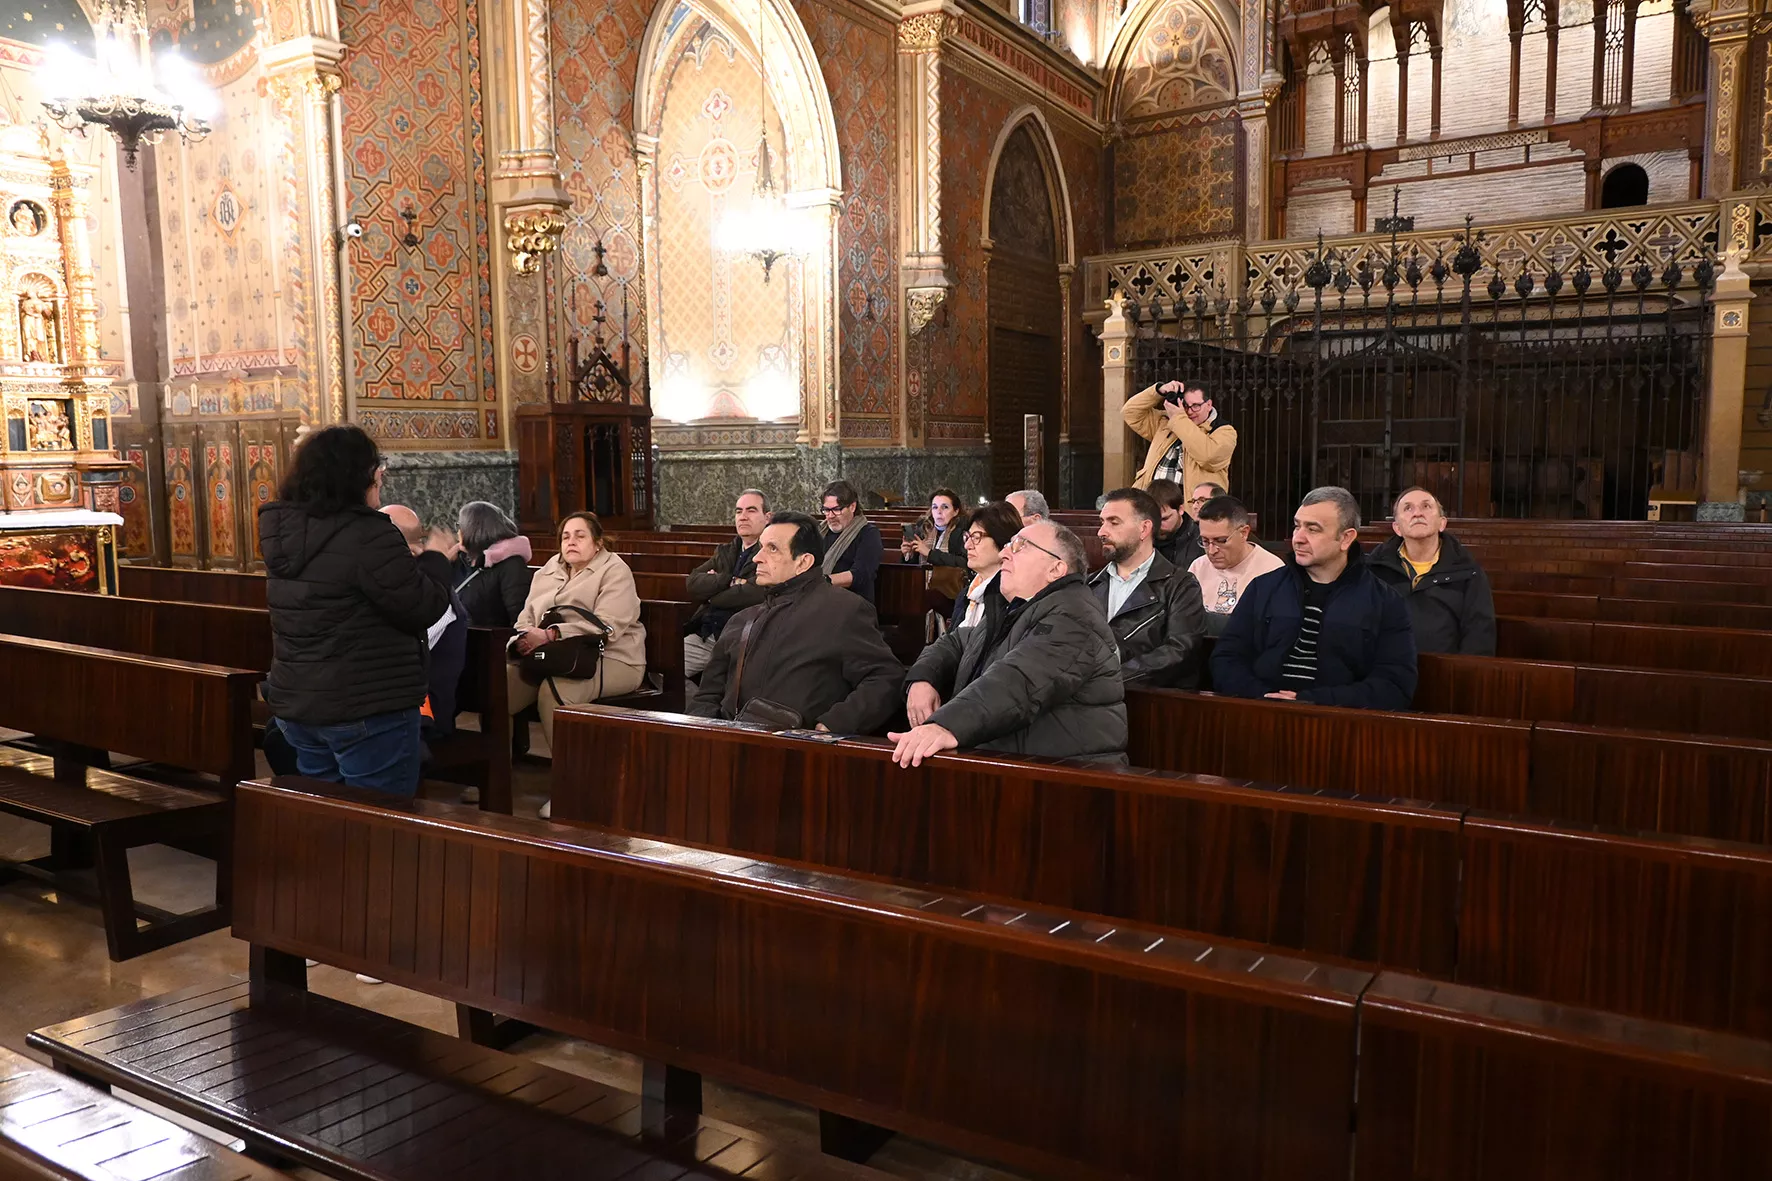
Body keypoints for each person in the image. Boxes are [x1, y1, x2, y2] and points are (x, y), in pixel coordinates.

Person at [259, 425, 453, 796]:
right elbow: (421, 606)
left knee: (332, 820)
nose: (379, 481)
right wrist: (437, 561)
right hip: (366, 706)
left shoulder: (284, 531)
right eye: (375, 473)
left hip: (302, 703)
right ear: (356, 475)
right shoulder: (368, 534)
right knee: (380, 825)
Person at [894, 519, 1126, 766]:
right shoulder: (1017, 610)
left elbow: (1018, 682)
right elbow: (956, 642)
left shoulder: (1075, 616)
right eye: (1008, 545)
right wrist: (922, 678)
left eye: (1020, 546)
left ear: (1056, 569)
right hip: (1016, 767)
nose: (1004, 553)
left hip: (1068, 778)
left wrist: (945, 725)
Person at [690, 511, 904, 733]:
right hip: (733, 748)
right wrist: (705, 737)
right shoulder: (742, 619)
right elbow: (707, 695)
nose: (757, 558)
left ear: (803, 562)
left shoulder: (843, 610)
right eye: (761, 547)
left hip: (802, 755)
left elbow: (885, 677)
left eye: (772, 549)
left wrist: (831, 726)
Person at [1211, 486, 1416, 711]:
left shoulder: (1385, 601)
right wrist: (1261, 696)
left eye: (1313, 529)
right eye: (1297, 526)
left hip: (1339, 723)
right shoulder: (1264, 588)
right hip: (1258, 713)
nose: (1298, 538)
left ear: (1346, 538)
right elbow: (1226, 659)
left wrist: (1316, 701)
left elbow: (1394, 684)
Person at [509, 511, 648, 818]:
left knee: (554, 691)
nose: (571, 542)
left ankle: (571, 790)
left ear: (597, 543)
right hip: (551, 655)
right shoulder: (548, 570)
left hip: (613, 658)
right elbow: (525, 617)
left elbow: (610, 625)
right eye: (565, 536)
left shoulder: (614, 570)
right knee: (502, 682)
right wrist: (523, 638)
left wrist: (553, 634)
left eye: (580, 535)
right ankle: (495, 773)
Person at [1087, 487, 1206, 687]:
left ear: (1144, 529)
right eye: (1102, 522)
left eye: (1113, 522)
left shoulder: (1180, 586)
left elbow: (1179, 650)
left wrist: (1111, 678)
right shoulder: (1088, 584)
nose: (1101, 532)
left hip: (1147, 699)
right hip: (1083, 698)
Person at [1369, 486, 1498, 656]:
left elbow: (1479, 635)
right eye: (1408, 508)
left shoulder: (1468, 572)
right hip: (1384, 672)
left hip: (1445, 673)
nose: (1417, 513)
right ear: (1397, 528)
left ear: (1442, 523)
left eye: (1426, 506)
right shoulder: (1374, 569)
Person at [382, 504, 468, 745]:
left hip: (420, 718)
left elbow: (400, 649)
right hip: (389, 705)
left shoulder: (433, 597)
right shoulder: (397, 587)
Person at [683, 489, 770, 678]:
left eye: (751, 510)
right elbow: (693, 582)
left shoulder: (770, 552)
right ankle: (698, 707)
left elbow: (754, 593)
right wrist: (728, 580)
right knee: (662, 670)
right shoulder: (726, 551)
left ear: (767, 517)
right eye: (739, 511)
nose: (743, 517)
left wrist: (711, 592)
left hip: (744, 638)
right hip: (707, 634)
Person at [1188, 494, 1283, 636]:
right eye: (1205, 541)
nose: (1212, 551)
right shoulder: (1199, 566)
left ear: (1244, 533)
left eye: (1221, 540)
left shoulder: (1272, 570)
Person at [1123, 380, 1238, 493]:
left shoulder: (1225, 431)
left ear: (1209, 405)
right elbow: (1130, 412)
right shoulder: (1166, 422)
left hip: (1192, 508)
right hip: (1151, 505)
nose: (1190, 411)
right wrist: (1158, 391)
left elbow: (1208, 457)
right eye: (1185, 406)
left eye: (1196, 406)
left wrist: (1179, 419)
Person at [452, 501, 533, 627]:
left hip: (490, 642)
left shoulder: (511, 565)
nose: (458, 532)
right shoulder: (460, 559)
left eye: (460, 526)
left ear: (473, 529)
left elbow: (519, 619)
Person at [949, 500, 1022, 633]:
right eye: (968, 537)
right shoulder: (966, 594)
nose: (967, 546)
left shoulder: (1010, 597)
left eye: (976, 537)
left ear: (1002, 540)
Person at [901, 487, 970, 628]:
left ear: (956, 511)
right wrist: (907, 554)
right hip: (924, 587)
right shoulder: (924, 530)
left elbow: (964, 562)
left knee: (924, 597)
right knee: (910, 595)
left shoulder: (961, 532)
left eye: (945, 507)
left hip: (952, 592)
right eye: (935, 507)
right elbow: (914, 566)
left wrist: (930, 554)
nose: (939, 512)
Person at [817, 480, 883, 603]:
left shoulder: (868, 534)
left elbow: (861, 575)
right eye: (826, 510)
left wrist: (822, 581)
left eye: (836, 509)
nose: (830, 516)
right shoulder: (820, 531)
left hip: (853, 604)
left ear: (852, 506)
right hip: (821, 599)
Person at [1149, 479, 1198, 569]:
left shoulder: (1200, 542)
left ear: (1180, 509)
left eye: (1165, 519)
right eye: (1154, 519)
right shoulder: (1140, 538)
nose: (1159, 525)